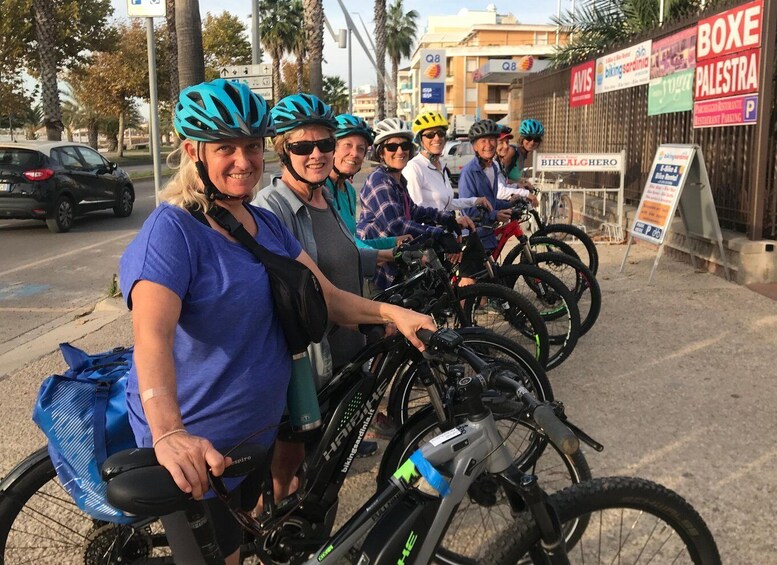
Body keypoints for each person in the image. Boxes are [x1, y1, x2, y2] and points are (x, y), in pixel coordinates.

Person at [119, 79, 436, 564]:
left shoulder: (262, 224)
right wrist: (169, 433)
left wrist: (393, 312)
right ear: (193, 151)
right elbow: (152, 338)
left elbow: (326, 297)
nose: (243, 161)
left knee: (246, 545)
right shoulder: (173, 230)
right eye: (226, 147)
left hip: (253, 441)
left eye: (250, 146)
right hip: (198, 450)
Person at [253, 95, 393, 459]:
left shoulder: (326, 196)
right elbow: (309, 287)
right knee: (293, 475)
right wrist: (388, 315)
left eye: (324, 144)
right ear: (284, 152)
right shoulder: (272, 207)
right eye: (302, 146)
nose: (316, 154)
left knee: (330, 469)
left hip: (347, 354)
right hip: (310, 367)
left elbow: (341, 255)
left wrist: (386, 254)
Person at [356, 117, 472, 292]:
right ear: (381, 152)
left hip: (399, 264)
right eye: (392, 147)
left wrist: (446, 218)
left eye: (405, 146)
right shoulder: (379, 180)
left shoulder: (398, 180)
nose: (400, 151)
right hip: (380, 273)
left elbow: (414, 211)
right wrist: (440, 234)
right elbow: (396, 225)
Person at [324, 113, 410, 251]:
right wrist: (387, 255)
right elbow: (341, 244)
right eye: (348, 145)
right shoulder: (321, 189)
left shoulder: (348, 190)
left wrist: (394, 242)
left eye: (361, 148)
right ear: (332, 148)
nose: (354, 153)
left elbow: (352, 241)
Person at [403, 110, 492, 215]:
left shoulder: (440, 165)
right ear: (420, 140)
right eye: (430, 135)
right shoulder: (414, 168)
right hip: (429, 230)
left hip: (445, 228)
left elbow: (447, 203)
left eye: (440, 133)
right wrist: (445, 221)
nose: (437, 138)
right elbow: (416, 211)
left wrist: (474, 201)